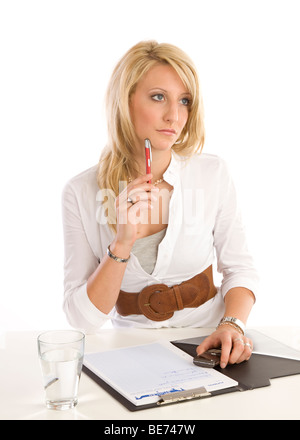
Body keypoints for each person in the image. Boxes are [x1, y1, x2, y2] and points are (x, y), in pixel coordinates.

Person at [62, 41, 259, 369]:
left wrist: (232, 325)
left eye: (184, 101)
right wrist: (122, 243)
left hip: (209, 344)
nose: (175, 116)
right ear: (125, 101)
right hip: (130, 352)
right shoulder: (81, 192)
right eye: (158, 97)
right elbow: (82, 320)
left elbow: (241, 268)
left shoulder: (212, 173)